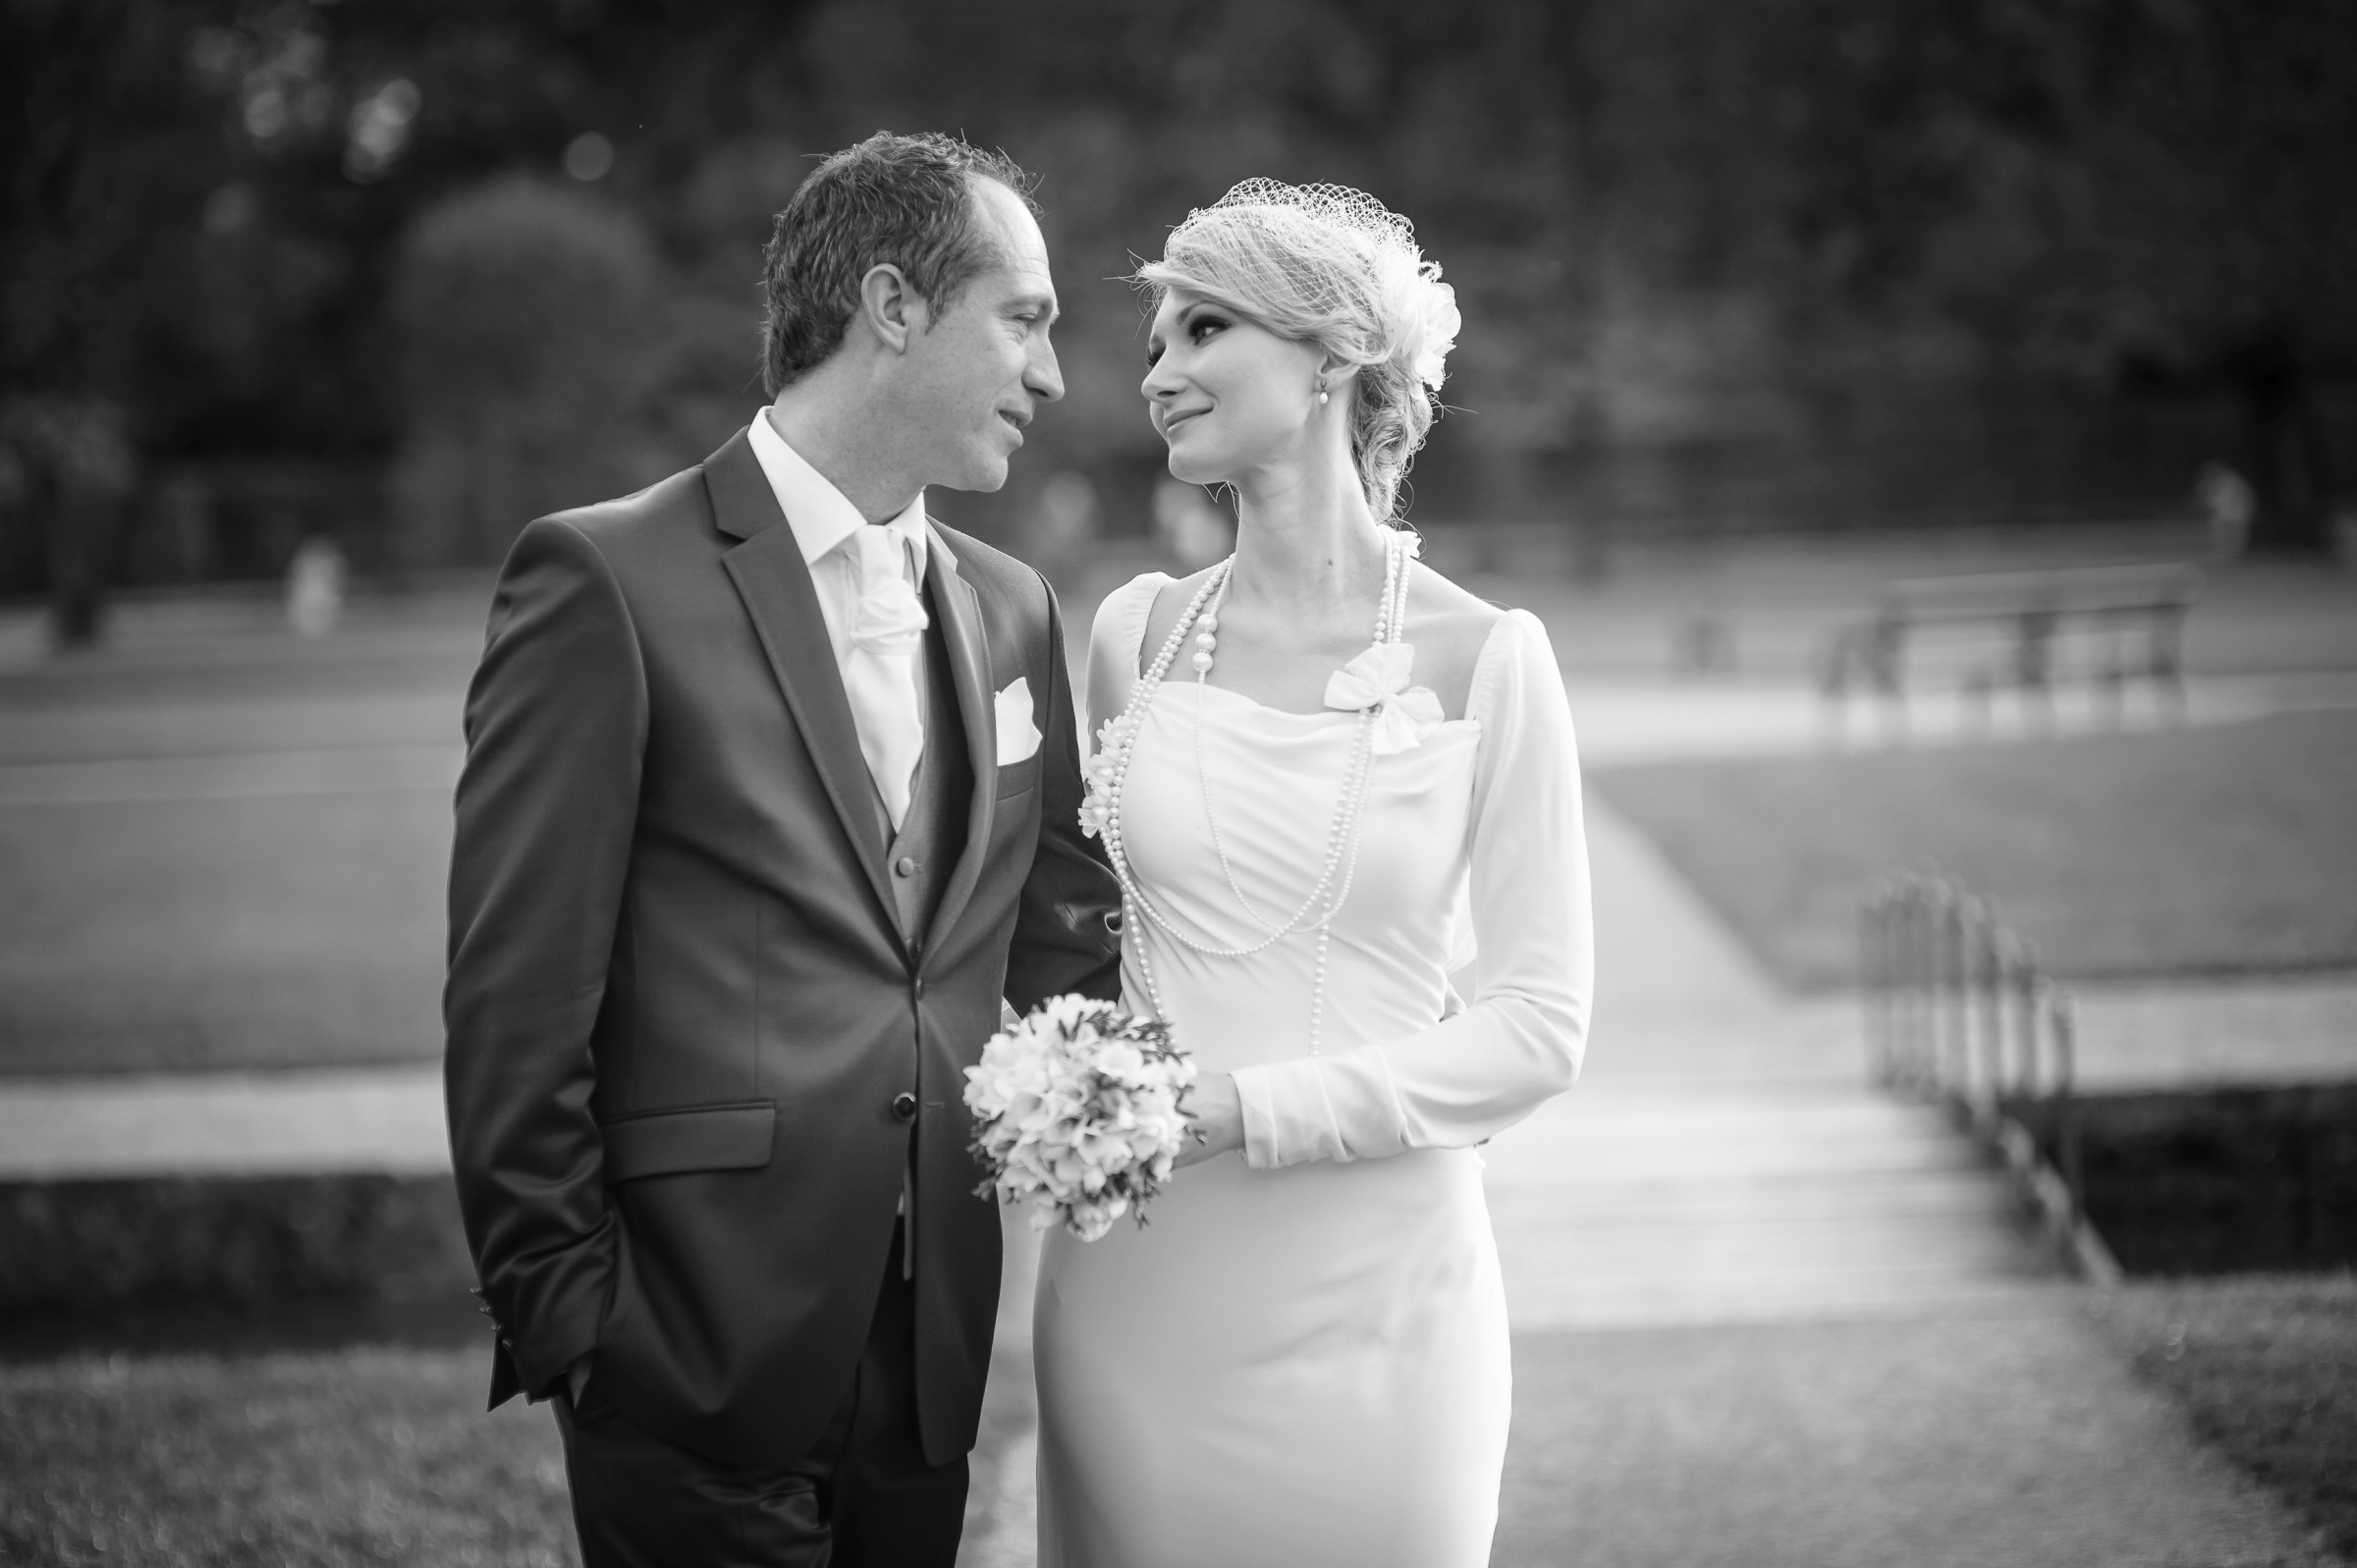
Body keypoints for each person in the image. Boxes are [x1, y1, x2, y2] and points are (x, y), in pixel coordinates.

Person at [442, 132, 1122, 1568]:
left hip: (928, 1358)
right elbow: (516, 996)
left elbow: (1072, 947)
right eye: (1026, 318)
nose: (1052, 376)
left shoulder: (1014, 611)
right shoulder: (605, 580)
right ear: (892, 305)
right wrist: (578, 1320)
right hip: (686, 1355)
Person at [1036, 180, 1595, 1566]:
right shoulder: (1133, 636)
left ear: (1335, 359)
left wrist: (1249, 1108)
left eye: (1203, 329)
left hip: (1383, 1296)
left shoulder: (1490, 659)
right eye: (1154, 343)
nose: (1158, 375)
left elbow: (1538, 1031)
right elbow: (1082, 938)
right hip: (1142, 1285)